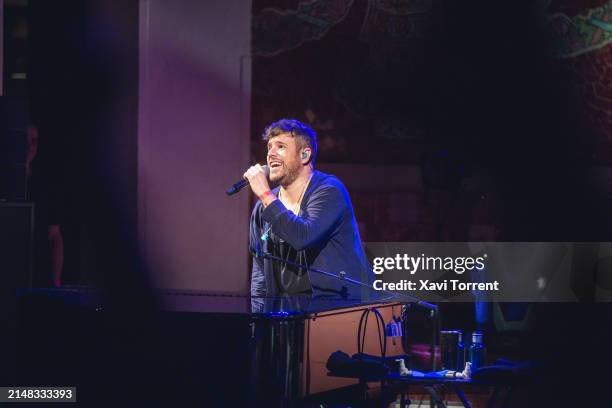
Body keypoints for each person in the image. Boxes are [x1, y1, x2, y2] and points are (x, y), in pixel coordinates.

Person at [244, 119, 372, 297]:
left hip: (335, 311)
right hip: (286, 315)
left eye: (280, 146)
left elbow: (302, 236)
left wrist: (265, 194)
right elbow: (260, 276)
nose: (270, 154)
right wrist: (259, 320)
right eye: (269, 147)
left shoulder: (329, 190)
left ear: (304, 155)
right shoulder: (262, 208)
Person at [26, 124, 64, 287]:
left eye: (34, 141)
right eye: (24, 140)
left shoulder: (43, 184)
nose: (29, 146)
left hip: (37, 276)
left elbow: (54, 235)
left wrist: (55, 280)